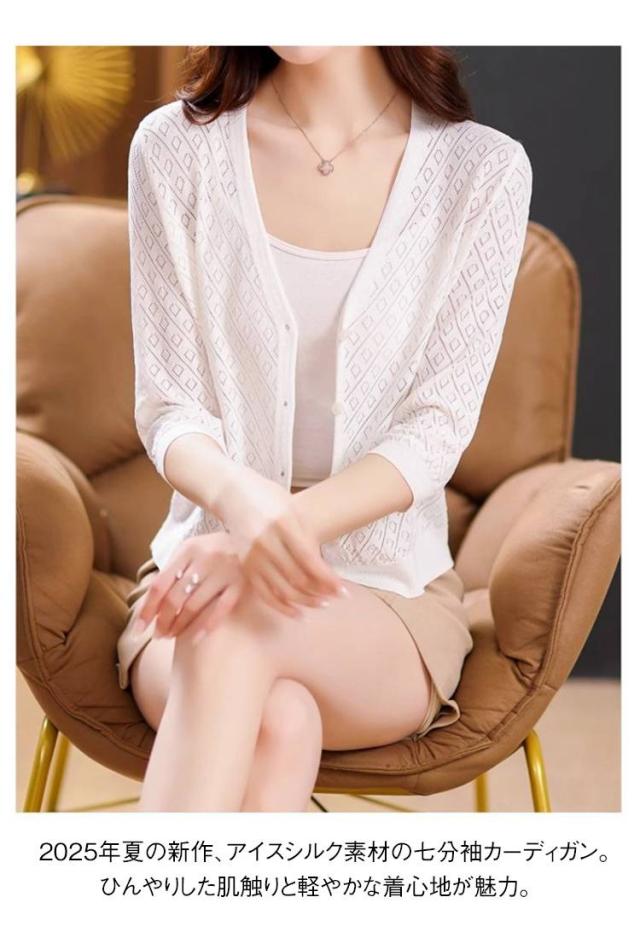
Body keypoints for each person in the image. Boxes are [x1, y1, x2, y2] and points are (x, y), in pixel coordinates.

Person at [116, 45, 533, 811]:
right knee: (278, 722)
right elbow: (170, 406)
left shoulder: (482, 171)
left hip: (388, 602)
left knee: (234, 619)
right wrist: (241, 507)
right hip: (191, 586)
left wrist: (270, 537)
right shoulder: (174, 150)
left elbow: (435, 429)